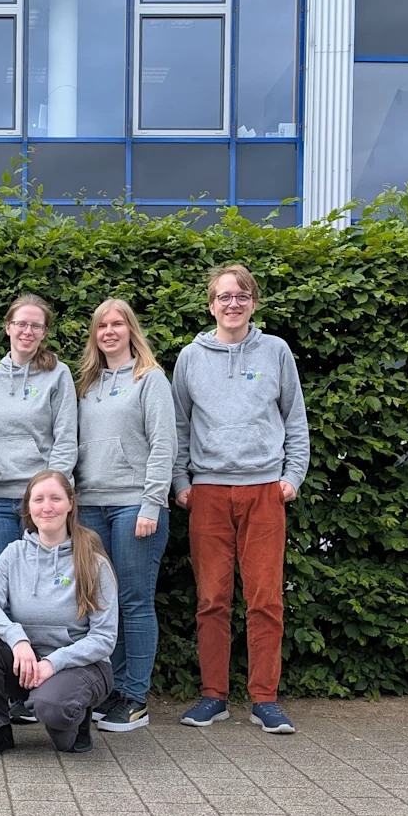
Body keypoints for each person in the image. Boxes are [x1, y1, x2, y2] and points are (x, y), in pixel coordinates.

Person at [172, 264, 310, 735]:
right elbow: (179, 425)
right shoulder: (191, 357)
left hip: (264, 491)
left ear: (254, 302)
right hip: (208, 492)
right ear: (211, 305)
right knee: (212, 599)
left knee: (265, 599)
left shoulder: (276, 351)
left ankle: (264, 699)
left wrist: (293, 476)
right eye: (224, 297)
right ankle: (214, 695)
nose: (233, 304)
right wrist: (180, 481)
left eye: (242, 296)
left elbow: (294, 419)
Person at [0, 470, 117, 758]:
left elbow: (104, 638)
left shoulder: (92, 562)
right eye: (38, 499)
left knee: (52, 710)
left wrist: (54, 663)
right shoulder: (14, 554)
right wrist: (17, 639)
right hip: (27, 663)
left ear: (70, 504)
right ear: (28, 507)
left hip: (80, 666)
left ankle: (75, 717)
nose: (47, 507)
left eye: (56, 498)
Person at [73, 299, 176, 733]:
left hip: (135, 505)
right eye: (102, 326)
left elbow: (164, 443)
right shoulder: (87, 384)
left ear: (131, 330)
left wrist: (152, 502)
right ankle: (111, 688)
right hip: (91, 506)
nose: (109, 332)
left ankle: (135, 696)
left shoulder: (149, 379)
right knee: (102, 602)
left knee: (134, 601)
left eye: (117, 324)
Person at [0, 294, 78, 580]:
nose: (27, 331)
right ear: (8, 327)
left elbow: (66, 438)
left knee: (42, 581)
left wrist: (51, 493)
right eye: (21, 324)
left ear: (44, 332)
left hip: (40, 501)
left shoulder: (58, 374)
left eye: (36, 326)